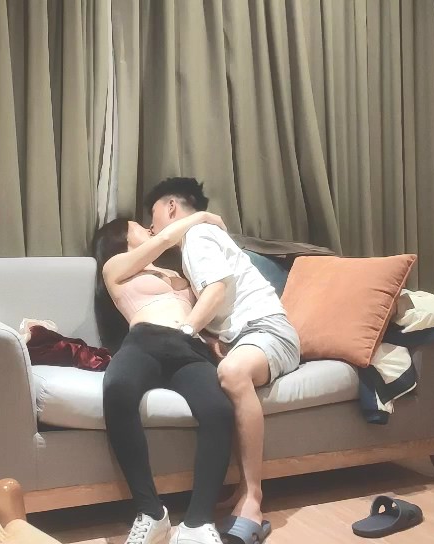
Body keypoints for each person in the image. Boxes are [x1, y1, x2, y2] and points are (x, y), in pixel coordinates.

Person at [147, 177, 301, 539]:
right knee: (217, 376)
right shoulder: (200, 236)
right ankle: (238, 489)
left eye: (152, 216)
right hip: (249, 336)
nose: (151, 228)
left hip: (269, 330)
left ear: (171, 207)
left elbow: (216, 290)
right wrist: (211, 337)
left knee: (231, 373)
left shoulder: (197, 237)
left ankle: (253, 496)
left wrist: (184, 333)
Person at [93, 212, 235, 544]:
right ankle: (151, 513)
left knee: (219, 410)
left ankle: (197, 522)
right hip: (144, 340)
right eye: (138, 228)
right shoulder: (115, 267)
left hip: (189, 345)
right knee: (117, 389)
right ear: (121, 239)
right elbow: (165, 238)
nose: (149, 229)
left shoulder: (177, 271)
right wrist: (201, 216)